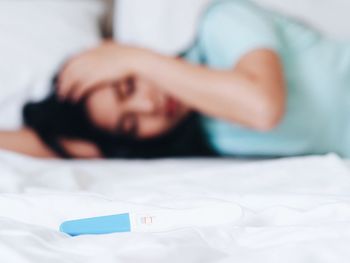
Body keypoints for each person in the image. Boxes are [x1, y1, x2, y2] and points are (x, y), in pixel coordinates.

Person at [0, 0, 349, 159]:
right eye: (130, 123)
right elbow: (64, 147)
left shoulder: (220, 22)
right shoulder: (206, 132)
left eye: (129, 85)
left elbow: (263, 108)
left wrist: (136, 58)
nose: (149, 106)